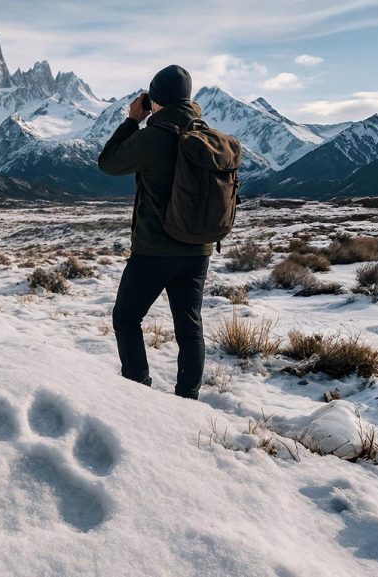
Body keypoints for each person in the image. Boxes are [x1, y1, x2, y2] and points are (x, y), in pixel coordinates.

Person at [98, 64, 211, 401]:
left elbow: (108, 162)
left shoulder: (152, 137)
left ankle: (139, 392)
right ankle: (188, 398)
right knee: (190, 328)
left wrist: (133, 120)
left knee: (126, 317)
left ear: (155, 100)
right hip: (198, 249)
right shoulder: (205, 135)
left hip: (154, 250)